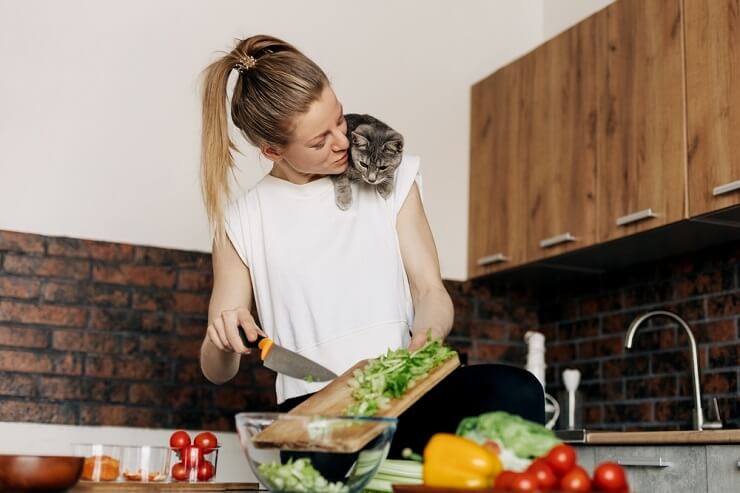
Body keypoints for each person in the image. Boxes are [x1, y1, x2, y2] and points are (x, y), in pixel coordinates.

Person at [198, 34, 454, 411]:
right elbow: (217, 371)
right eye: (320, 141)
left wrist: (426, 337)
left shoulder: (391, 180)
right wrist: (221, 337)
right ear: (272, 151)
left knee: (515, 388)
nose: (342, 142)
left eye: (340, 121)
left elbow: (431, 291)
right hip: (312, 411)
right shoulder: (241, 222)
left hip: (403, 393)